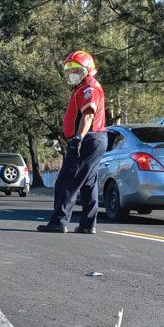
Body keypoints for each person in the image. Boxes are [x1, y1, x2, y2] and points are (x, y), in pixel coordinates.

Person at [37, 51, 107, 234]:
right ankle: (87, 224)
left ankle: (59, 222)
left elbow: (88, 114)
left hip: (88, 138)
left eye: (77, 69)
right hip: (96, 139)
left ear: (88, 70)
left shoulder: (88, 89)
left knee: (66, 181)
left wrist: (78, 138)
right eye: (69, 70)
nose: (72, 74)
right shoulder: (84, 87)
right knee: (88, 183)